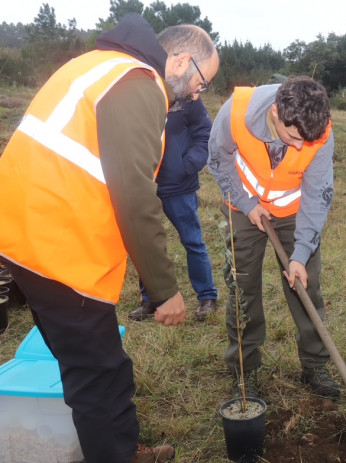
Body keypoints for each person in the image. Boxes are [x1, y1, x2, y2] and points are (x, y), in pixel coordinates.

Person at [0, 14, 219, 463]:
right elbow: (135, 194)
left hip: (26, 232)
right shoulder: (137, 82)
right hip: (59, 247)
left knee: (95, 363)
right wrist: (165, 291)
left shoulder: (98, 65)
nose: (200, 93)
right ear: (179, 60)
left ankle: (120, 448)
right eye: (203, 81)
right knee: (99, 374)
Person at [207, 77, 341, 399]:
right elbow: (218, 160)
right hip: (243, 205)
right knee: (243, 286)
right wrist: (246, 203)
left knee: (305, 283)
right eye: (293, 137)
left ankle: (314, 363)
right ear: (275, 113)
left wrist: (301, 252)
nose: (298, 147)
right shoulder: (235, 113)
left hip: (294, 211)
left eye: (304, 141)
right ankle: (245, 369)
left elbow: (317, 193)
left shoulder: (319, 131)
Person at [129, 97, 218, 322]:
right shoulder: (142, 91)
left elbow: (205, 133)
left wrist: (187, 165)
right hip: (144, 183)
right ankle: (150, 299)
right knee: (146, 243)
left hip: (179, 186)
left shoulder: (189, 98)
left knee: (193, 241)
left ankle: (207, 297)